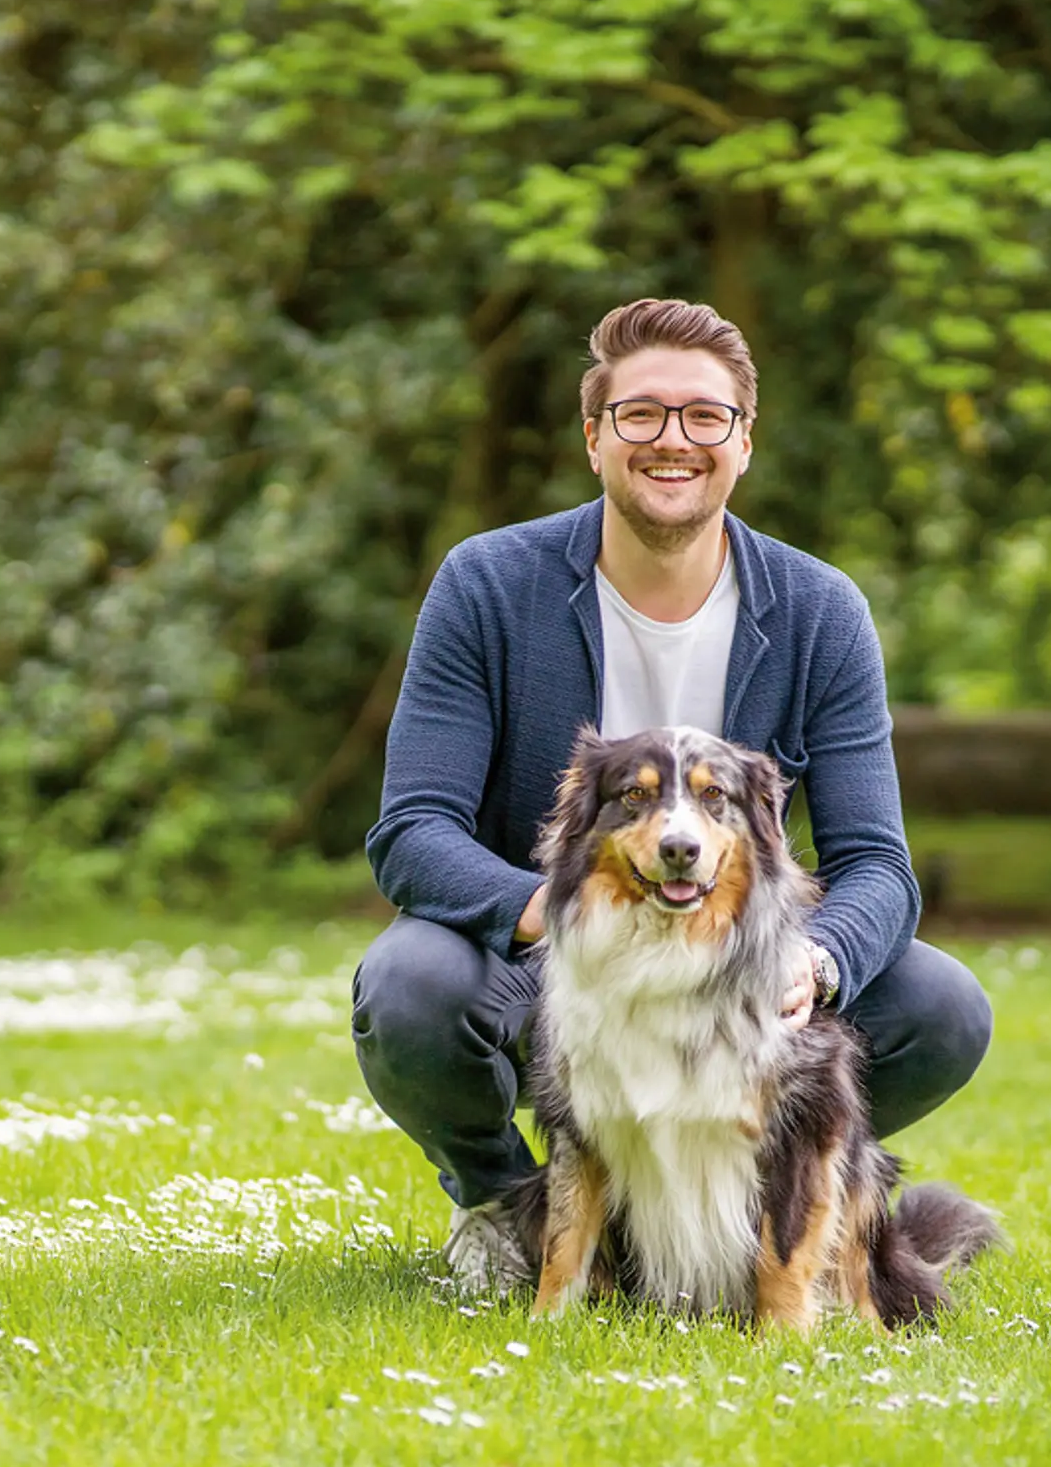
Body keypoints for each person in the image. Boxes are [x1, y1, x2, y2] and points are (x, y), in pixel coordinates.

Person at [350, 297, 992, 1294]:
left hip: (739, 965)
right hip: (562, 966)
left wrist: (811, 963)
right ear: (594, 436)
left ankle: (733, 1203)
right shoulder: (485, 584)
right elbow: (410, 831)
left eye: (704, 417)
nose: (672, 440)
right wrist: (549, 916)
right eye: (641, 414)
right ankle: (501, 1209)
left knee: (941, 1004)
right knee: (409, 988)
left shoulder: (820, 610)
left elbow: (877, 863)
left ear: (743, 443)